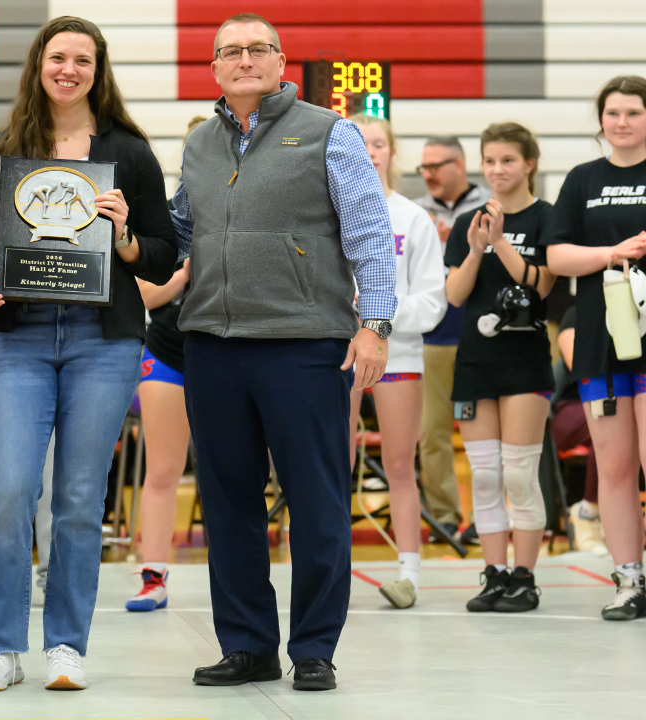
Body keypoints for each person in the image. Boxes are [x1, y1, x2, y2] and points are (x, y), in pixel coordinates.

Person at [174, 14, 396, 692]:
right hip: (213, 344)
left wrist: (375, 324)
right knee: (229, 501)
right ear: (214, 68)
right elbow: (183, 227)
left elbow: (368, 229)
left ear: (280, 60)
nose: (245, 60)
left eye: (258, 49)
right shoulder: (200, 144)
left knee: (318, 500)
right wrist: (122, 229)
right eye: (231, 51)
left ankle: (314, 648)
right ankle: (246, 645)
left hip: (305, 344)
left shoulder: (331, 133)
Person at [0, 16, 176, 692]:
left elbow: (164, 252)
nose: (69, 69)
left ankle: (64, 646)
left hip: (102, 341)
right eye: (59, 57)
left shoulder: (130, 154)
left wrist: (126, 237)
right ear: (39, 64)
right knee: (10, 492)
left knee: (80, 499)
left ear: (98, 69)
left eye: (83, 59)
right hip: (18, 337)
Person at [544, 75, 646, 621]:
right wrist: (612, 251)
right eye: (613, 113)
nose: (622, 122)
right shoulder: (584, 179)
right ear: (601, 119)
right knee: (614, 467)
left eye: (633, 112)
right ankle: (629, 580)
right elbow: (557, 258)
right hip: (600, 340)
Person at [445, 122, 556, 613]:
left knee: (518, 475)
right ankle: (493, 575)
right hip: (475, 362)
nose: (497, 170)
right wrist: (475, 248)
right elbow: (454, 294)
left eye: (507, 160)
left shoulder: (548, 218)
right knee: (485, 475)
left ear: (528, 163)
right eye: (489, 161)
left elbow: (542, 288)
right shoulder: (471, 221)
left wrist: (502, 241)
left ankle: (525, 577)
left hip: (525, 362)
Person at [346, 114, 447, 609]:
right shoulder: (326, 213)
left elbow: (433, 302)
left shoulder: (412, 218)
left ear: (391, 152)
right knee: (330, 464)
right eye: (359, 144)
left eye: (379, 144)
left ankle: (408, 573)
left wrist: (377, 319)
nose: (370, 152)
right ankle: (329, 569)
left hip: (396, 350)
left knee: (399, 464)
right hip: (335, 353)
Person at [124, 114, 206, 614]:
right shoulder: (171, 216)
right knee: (163, 469)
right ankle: (152, 577)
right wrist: (188, 271)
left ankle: (234, 575)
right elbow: (146, 295)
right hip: (169, 350)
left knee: (232, 472)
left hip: (226, 351)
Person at [414, 136, 492, 543]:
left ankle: (487, 519)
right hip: (433, 335)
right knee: (433, 432)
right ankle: (445, 519)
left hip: (481, 336)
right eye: (422, 169)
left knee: (484, 434)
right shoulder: (415, 214)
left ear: (459, 165)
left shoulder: (490, 207)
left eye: (436, 167)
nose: (427, 175)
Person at [550, 306, 606, 554]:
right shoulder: (575, 314)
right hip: (573, 407)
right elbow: (578, 363)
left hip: (621, 400)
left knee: (614, 424)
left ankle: (598, 510)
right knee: (606, 423)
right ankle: (589, 511)